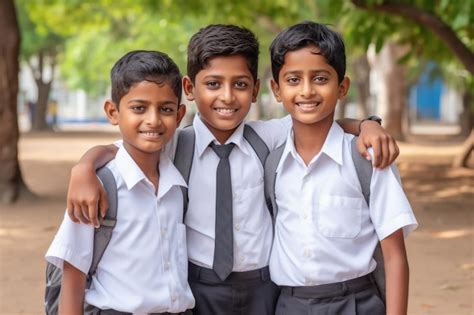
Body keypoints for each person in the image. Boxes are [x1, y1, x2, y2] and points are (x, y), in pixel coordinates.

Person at [65, 25, 399, 314]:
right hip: (197, 288)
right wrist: (84, 166)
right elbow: (124, 147)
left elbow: (318, 120)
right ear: (189, 88)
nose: (227, 97)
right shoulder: (172, 144)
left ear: (256, 90)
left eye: (240, 85)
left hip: (263, 289)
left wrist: (368, 126)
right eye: (213, 84)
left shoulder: (268, 137)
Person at [267, 21, 418, 314]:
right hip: (289, 305)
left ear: (342, 86)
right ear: (276, 89)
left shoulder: (369, 160)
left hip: (356, 304)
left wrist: (367, 126)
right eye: (293, 79)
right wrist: (365, 123)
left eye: (321, 78)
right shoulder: (272, 162)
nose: (307, 91)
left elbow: (395, 256)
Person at [45, 50, 195, 314]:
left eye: (166, 109)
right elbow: (73, 280)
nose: (153, 120)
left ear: (180, 114)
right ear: (113, 112)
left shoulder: (178, 184)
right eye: (139, 108)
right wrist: (84, 168)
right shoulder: (98, 187)